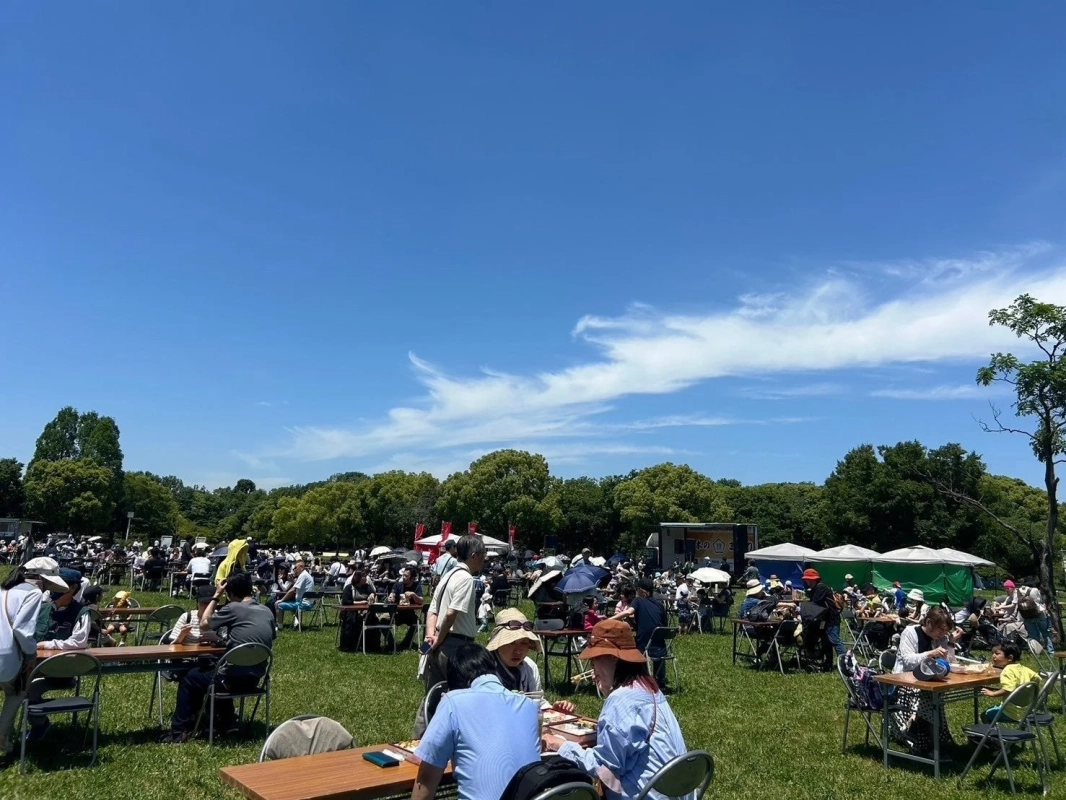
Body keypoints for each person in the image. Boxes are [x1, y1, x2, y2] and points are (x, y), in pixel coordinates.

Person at [544, 620, 693, 800]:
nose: (593, 670)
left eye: (594, 660)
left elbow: (603, 765)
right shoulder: (649, 688)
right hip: (676, 790)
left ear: (613, 658)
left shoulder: (621, 699)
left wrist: (560, 745)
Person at [412, 643, 541, 800]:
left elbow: (427, 776)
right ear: (494, 667)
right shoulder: (528, 705)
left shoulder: (453, 701)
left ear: (455, 682)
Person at [162, 571, 276, 743]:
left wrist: (216, 595)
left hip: (228, 682)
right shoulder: (266, 611)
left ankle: (180, 731)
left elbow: (204, 624)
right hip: (254, 680)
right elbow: (265, 639)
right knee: (216, 671)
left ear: (229, 593)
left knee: (190, 678)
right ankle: (226, 722)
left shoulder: (233, 608)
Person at [414, 534, 485, 738]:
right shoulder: (466, 579)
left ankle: (419, 739)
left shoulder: (447, 576)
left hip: (439, 644)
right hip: (456, 645)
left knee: (433, 696)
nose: (484, 561)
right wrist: (440, 637)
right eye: (483, 556)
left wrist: (431, 636)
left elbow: (432, 610)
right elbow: (451, 613)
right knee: (460, 698)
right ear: (474, 555)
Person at [892, 606, 963, 755]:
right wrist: (930, 653)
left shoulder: (940, 639)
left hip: (928, 682)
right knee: (927, 696)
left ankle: (919, 729)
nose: (942, 633)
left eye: (945, 631)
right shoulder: (910, 632)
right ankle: (934, 742)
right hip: (905, 681)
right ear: (929, 622)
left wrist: (950, 643)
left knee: (932, 694)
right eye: (940, 629)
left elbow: (949, 662)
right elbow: (907, 661)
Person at [0, 563, 47, 758]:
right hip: (9, 654)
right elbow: (22, 629)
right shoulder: (33, 593)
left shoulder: (3, 591)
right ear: (42, 579)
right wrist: (30, 654)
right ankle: (2, 736)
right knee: (17, 693)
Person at [611, 577, 668, 689]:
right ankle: (660, 681)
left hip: (643, 646)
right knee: (655, 648)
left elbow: (628, 612)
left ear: (642, 591)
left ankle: (640, 679)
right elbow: (664, 626)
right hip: (660, 648)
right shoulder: (660, 605)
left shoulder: (638, 601)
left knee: (629, 647)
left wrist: (609, 619)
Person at [486, 608, 544, 693]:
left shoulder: (530, 667)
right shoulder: (485, 670)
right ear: (498, 645)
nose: (518, 651)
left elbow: (537, 698)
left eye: (524, 643)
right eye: (511, 643)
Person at [981, 641, 1041, 722]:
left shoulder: (1007, 671)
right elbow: (1037, 678)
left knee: (985, 714)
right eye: (993, 653)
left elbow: (1007, 689)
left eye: (997, 653)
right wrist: (1027, 690)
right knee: (994, 708)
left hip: (1011, 713)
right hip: (1026, 710)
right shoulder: (1022, 668)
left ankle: (991, 730)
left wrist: (992, 693)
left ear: (1010, 658)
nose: (993, 656)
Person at [801, 568, 844, 662]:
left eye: (807, 580)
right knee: (826, 641)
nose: (806, 582)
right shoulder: (816, 588)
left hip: (831, 618)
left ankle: (845, 662)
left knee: (834, 640)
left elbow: (815, 603)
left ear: (812, 580)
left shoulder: (821, 588)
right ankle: (828, 663)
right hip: (824, 619)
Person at [388, 566, 425, 650]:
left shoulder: (417, 586)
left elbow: (421, 601)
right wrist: (391, 597)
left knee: (418, 623)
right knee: (382, 620)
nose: (403, 577)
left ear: (412, 578)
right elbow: (392, 594)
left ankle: (406, 643)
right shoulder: (398, 585)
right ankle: (391, 643)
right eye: (403, 575)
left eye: (406, 576)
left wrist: (413, 594)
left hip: (409, 614)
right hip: (396, 614)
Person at [275, 559, 315, 629]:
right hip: (309, 603)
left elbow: (292, 590)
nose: (294, 570)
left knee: (278, 605)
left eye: (295, 568)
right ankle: (298, 623)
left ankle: (280, 626)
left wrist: (281, 600)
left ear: (301, 567)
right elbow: (299, 587)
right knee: (292, 601)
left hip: (303, 604)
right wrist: (292, 581)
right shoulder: (306, 575)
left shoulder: (303, 575)